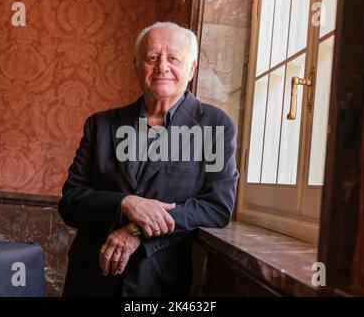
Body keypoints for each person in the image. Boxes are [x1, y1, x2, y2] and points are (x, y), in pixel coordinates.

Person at [58, 21, 239, 297]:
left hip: (158, 282)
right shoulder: (101, 125)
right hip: (91, 277)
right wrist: (124, 203)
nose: (162, 67)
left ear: (191, 68)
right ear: (136, 66)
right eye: (152, 58)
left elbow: (216, 207)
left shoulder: (215, 126)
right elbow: (71, 201)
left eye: (173, 58)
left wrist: (136, 229)